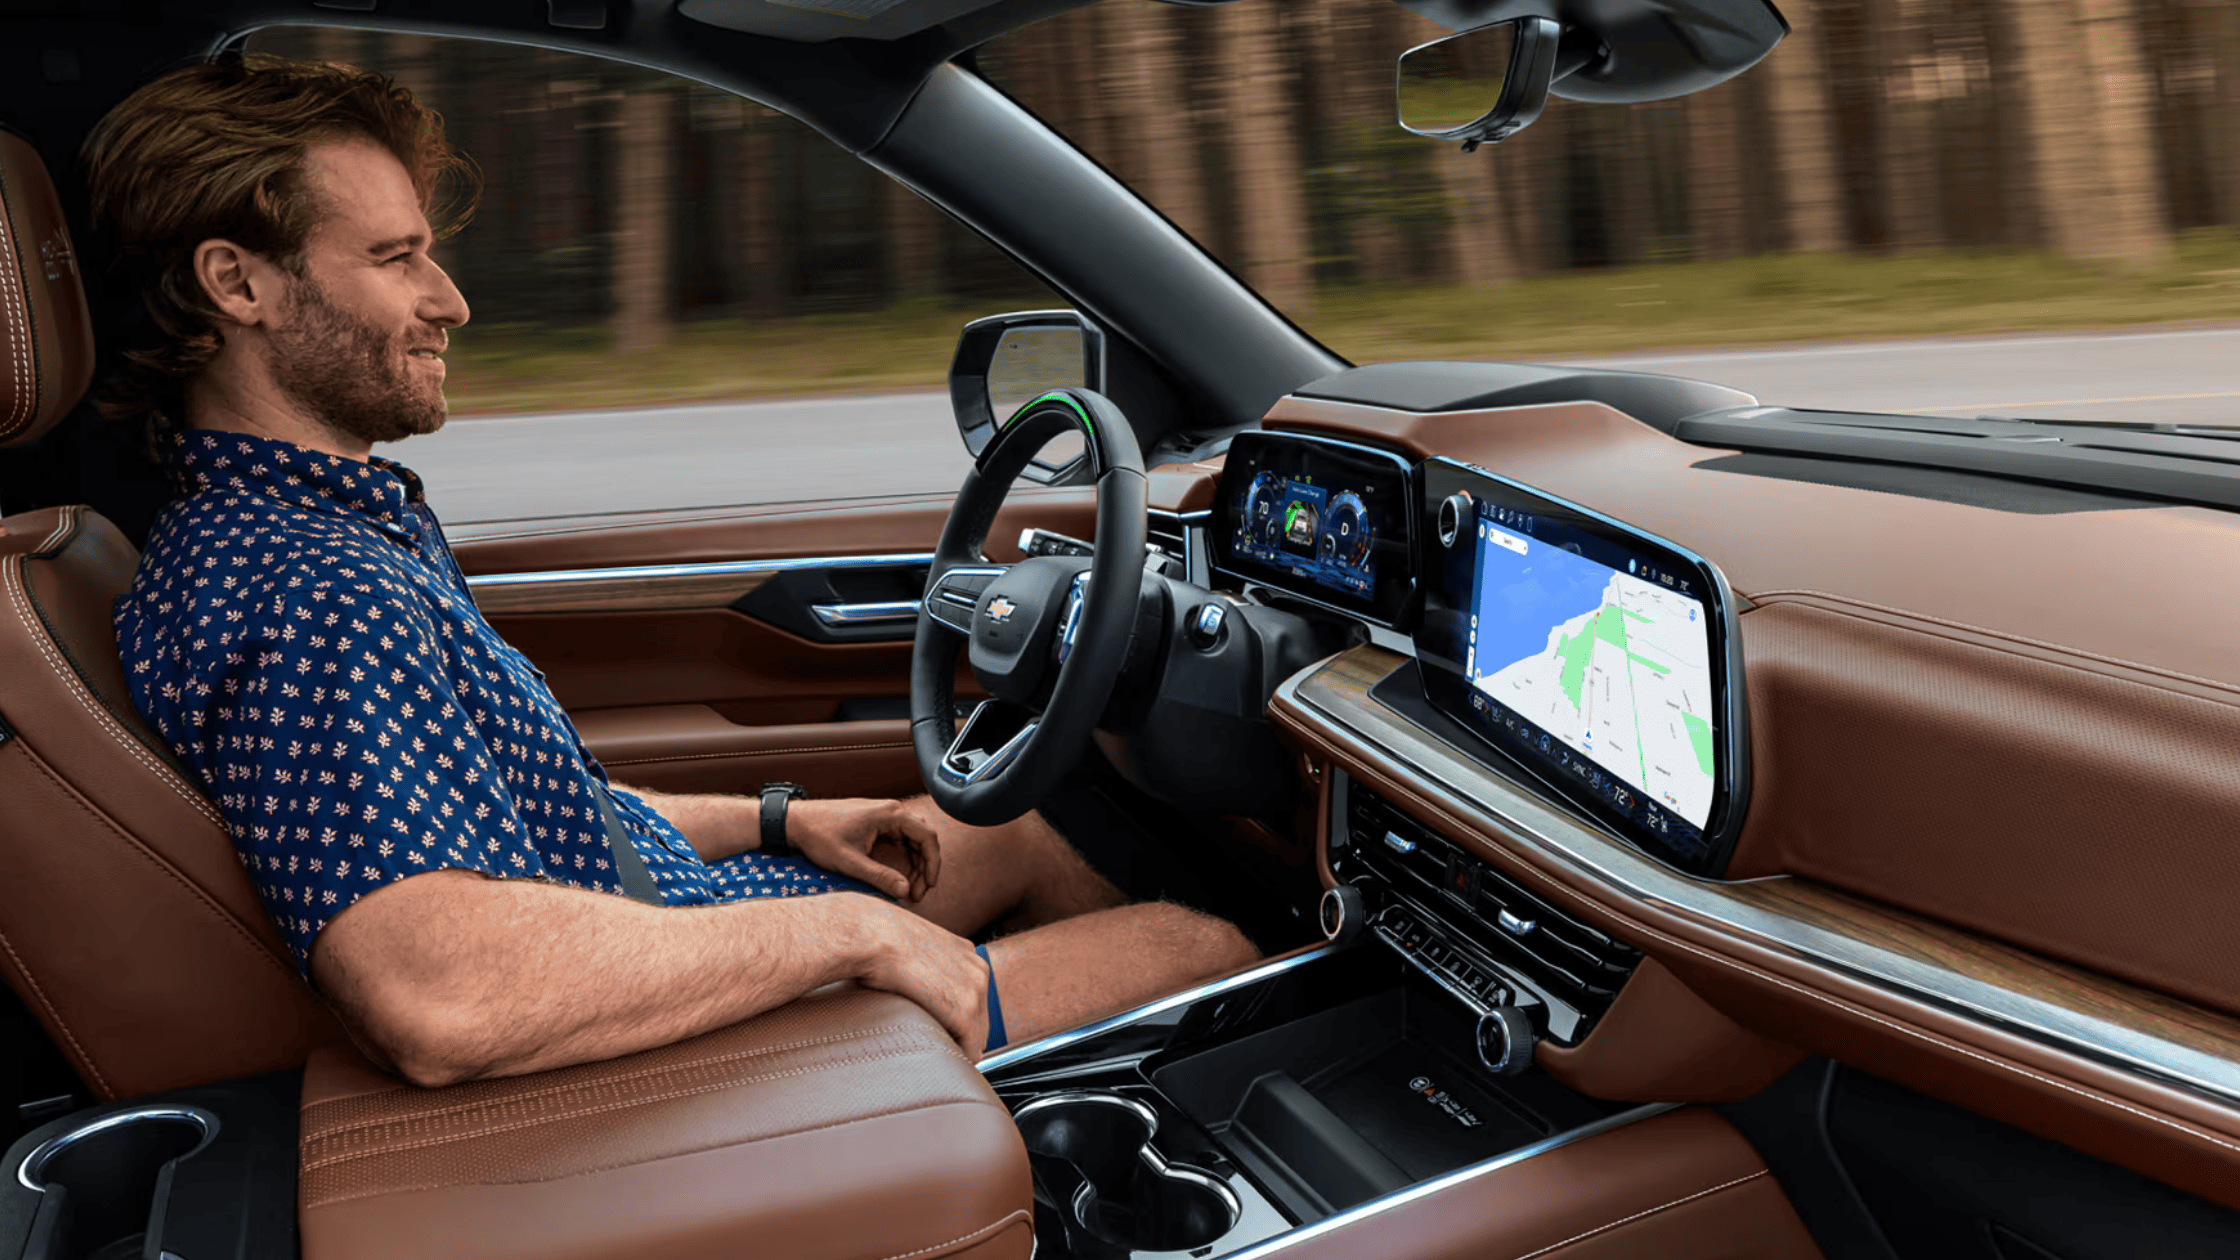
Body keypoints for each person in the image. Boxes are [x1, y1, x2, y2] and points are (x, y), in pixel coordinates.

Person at [92, 55, 1258, 1088]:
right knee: (1188, 954)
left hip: (642, 921)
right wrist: (855, 942)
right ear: (237, 285)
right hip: (655, 1033)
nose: (450, 301)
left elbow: (532, 816)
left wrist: (780, 818)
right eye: (396, 258)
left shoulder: (319, 526)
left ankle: (1012, 1118)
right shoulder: (304, 591)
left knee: (1011, 830)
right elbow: (436, 993)